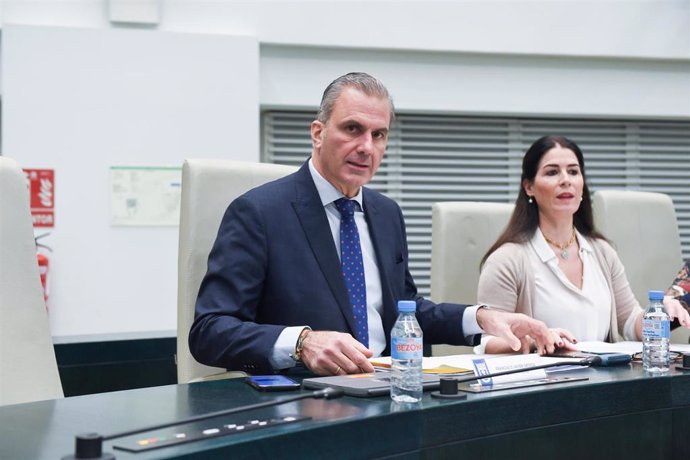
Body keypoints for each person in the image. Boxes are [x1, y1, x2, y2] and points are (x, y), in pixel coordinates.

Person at [189, 72, 554, 376]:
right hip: (306, 403)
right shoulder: (259, 213)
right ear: (317, 133)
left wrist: (483, 318)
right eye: (352, 128)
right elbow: (210, 331)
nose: (367, 146)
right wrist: (302, 342)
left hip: (392, 389)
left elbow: (406, 309)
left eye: (378, 135)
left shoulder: (386, 213)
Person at [477, 135, 690, 354]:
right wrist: (537, 341)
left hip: (602, 382)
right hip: (543, 385)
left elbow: (628, 321)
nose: (565, 180)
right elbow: (488, 342)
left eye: (573, 171)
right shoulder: (507, 259)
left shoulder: (602, 251)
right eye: (552, 172)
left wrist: (660, 314)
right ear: (529, 187)